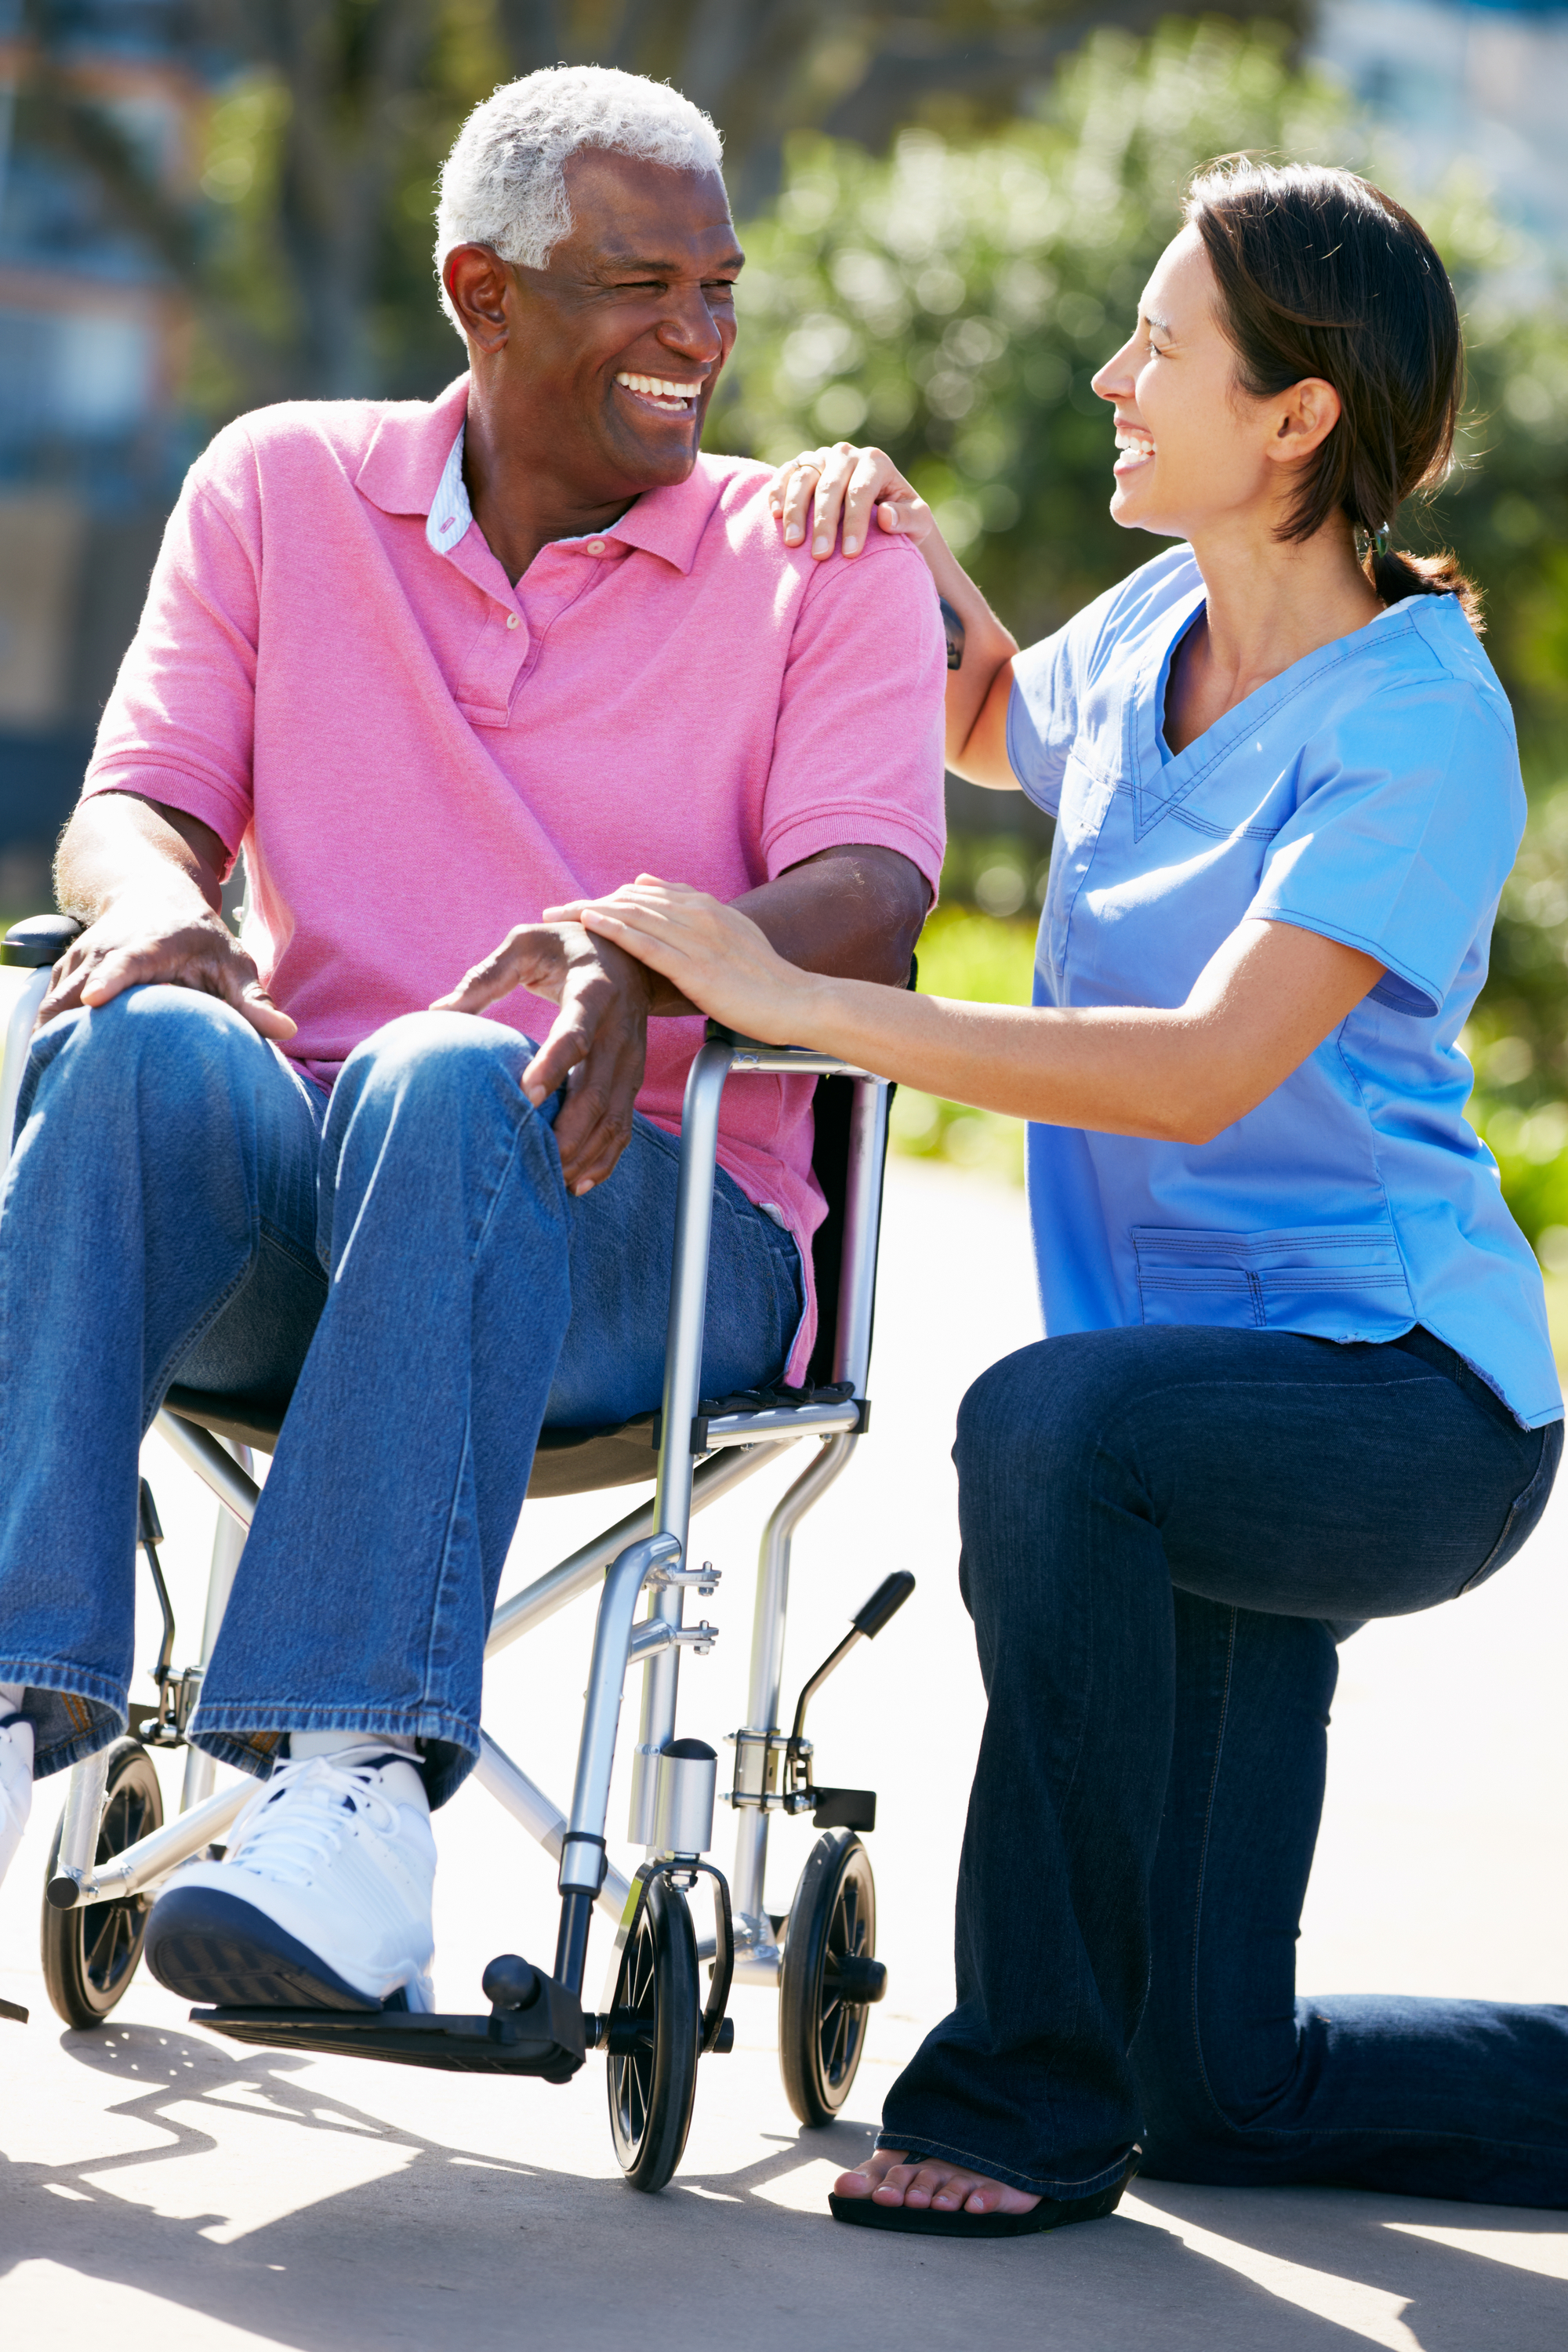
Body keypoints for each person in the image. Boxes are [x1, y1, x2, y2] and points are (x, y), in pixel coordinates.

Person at [559, 161, 1568, 2236]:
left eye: (1161, 349)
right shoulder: (1157, 632)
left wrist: (787, 992)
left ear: (1296, 419)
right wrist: (879, 532)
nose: (1118, 376)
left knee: (1049, 1421)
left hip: (1396, 1409)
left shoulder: (1418, 722)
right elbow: (998, 716)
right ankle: (1128, 2080)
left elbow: (1202, 1071)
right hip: (1190, 1418)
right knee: (1223, 2087)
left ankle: (1018, 2097)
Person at [0, 66, 946, 2013]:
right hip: (312, 1211)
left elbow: (871, 893)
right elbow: (142, 800)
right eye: (638, 283)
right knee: (131, 1039)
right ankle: (19, 1708)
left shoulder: (816, 559)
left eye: (719, 286)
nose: (699, 333)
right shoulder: (276, 485)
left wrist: (639, 953)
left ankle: (346, 1796)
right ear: (482, 294)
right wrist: (148, 900)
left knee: (451, 1073)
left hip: (657, 1232)